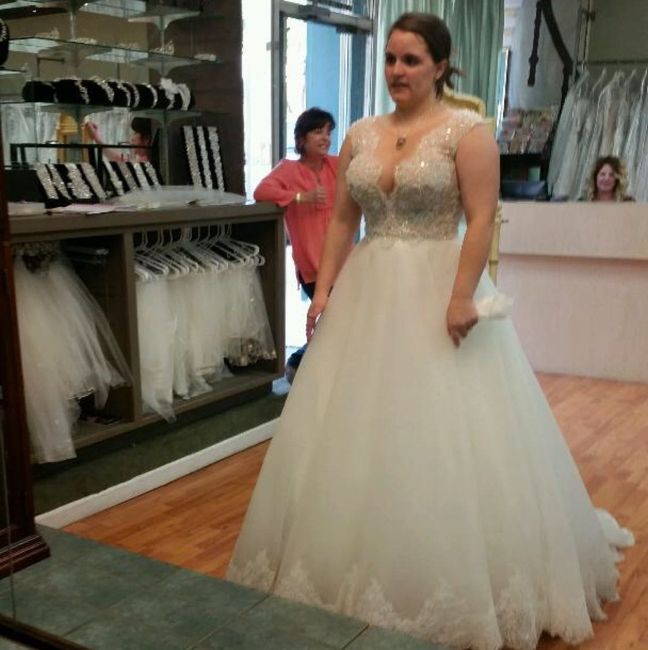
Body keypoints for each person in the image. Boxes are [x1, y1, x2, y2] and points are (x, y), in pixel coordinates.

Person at [228, 12, 633, 650]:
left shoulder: (466, 133)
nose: (396, 70)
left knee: (442, 425)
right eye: (391, 58)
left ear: (440, 66)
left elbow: (481, 217)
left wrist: (461, 295)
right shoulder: (361, 133)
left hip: (439, 282)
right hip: (369, 289)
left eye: (411, 60)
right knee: (355, 425)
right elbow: (343, 220)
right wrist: (324, 288)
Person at [253, 107, 347, 384]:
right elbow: (261, 191)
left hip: (344, 260)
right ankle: (298, 363)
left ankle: (315, 370)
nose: (325, 138)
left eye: (329, 132)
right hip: (312, 264)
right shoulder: (288, 169)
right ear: (302, 138)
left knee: (339, 322)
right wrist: (299, 197)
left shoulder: (336, 165)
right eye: (318, 131)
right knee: (332, 322)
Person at [85, 116, 154, 163]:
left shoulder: (145, 163)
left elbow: (118, 158)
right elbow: (119, 158)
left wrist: (97, 138)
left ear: (146, 139)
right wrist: (97, 138)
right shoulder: (141, 160)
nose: (132, 139)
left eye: (135, 133)